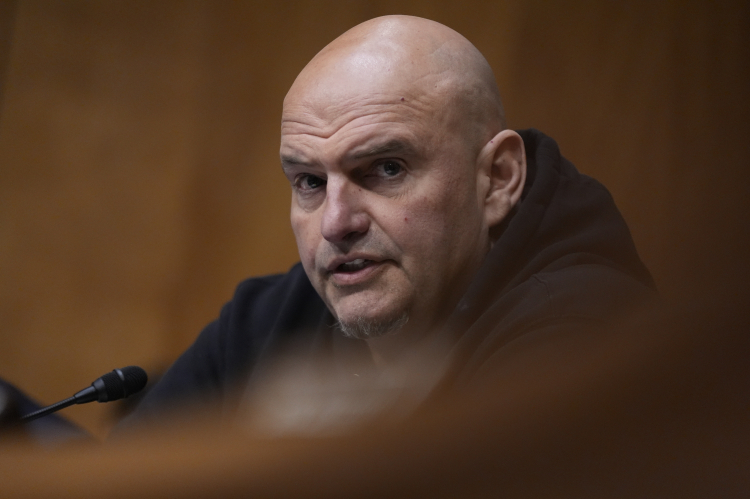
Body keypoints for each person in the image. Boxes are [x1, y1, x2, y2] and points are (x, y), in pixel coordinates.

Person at [122, 15, 655, 426]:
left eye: (386, 168)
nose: (336, 223)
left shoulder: (586, 341)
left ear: (498, 178)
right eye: (310, 181)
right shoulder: (265, 322)